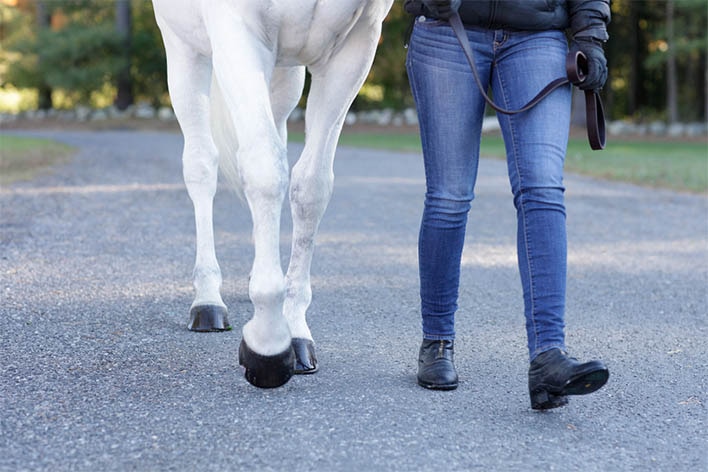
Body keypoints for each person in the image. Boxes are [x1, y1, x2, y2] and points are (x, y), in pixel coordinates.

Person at [404, 0, 611, 409]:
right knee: (449, 196)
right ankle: (437, 341)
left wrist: (591, 37)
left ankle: (548, 357)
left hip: (538, 37)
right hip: (448, 28)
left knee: (543, 188)